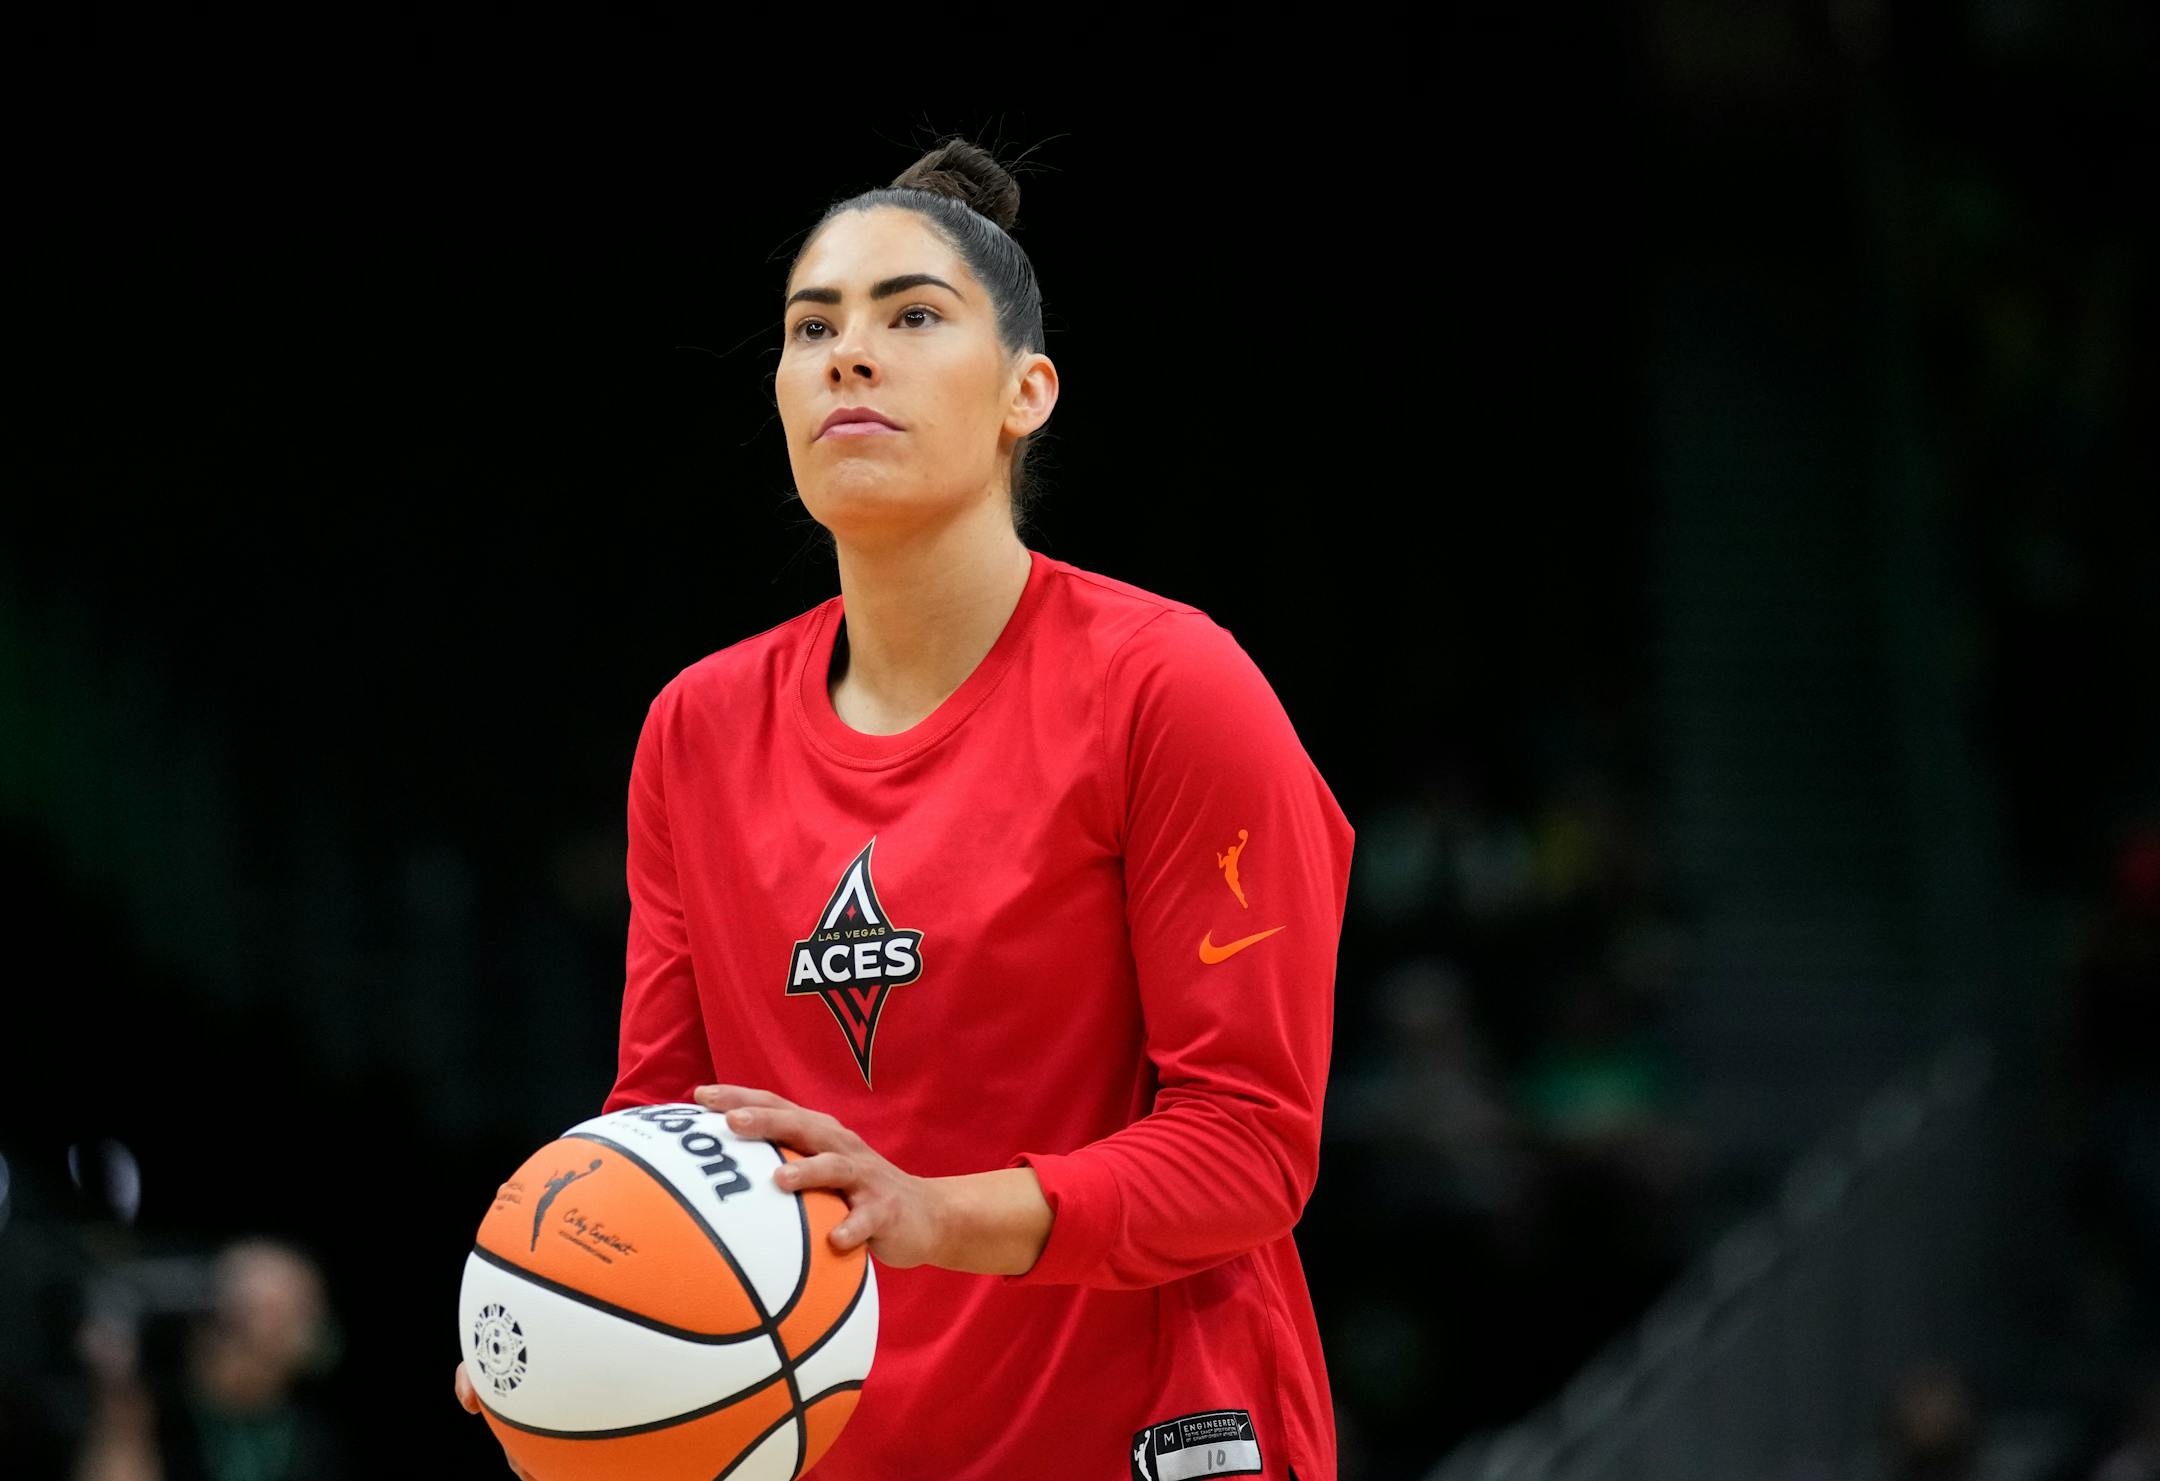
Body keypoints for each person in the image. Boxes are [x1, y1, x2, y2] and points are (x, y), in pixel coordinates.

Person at [453, 136, 1356, 1480]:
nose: (849, 356)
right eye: (811, 327)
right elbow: (668, 1125)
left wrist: (928, 1212)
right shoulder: (697, 729)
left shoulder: (1172, 687)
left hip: (1148, 1432)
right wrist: (579, 1313)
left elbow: (1247, 1149)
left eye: (913, 317)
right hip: (831, 1444)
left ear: (1026, 391)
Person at [78, 1238, 345, 1481]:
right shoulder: (159, 1411)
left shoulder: (315, 1437)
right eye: (226, 1308)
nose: (239, 1327)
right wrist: (119, 1404)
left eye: (272, 1313)